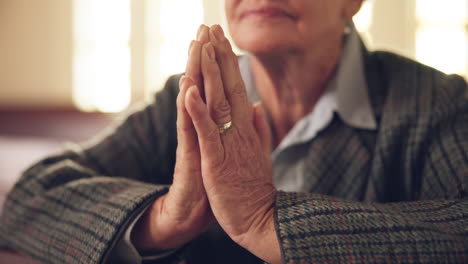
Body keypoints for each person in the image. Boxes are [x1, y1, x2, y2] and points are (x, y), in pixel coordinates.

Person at [1, 0, 467, 263]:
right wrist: (166, 217)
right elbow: (30, 199)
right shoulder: (183, 100)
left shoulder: (434, 103)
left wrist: (267, 222)